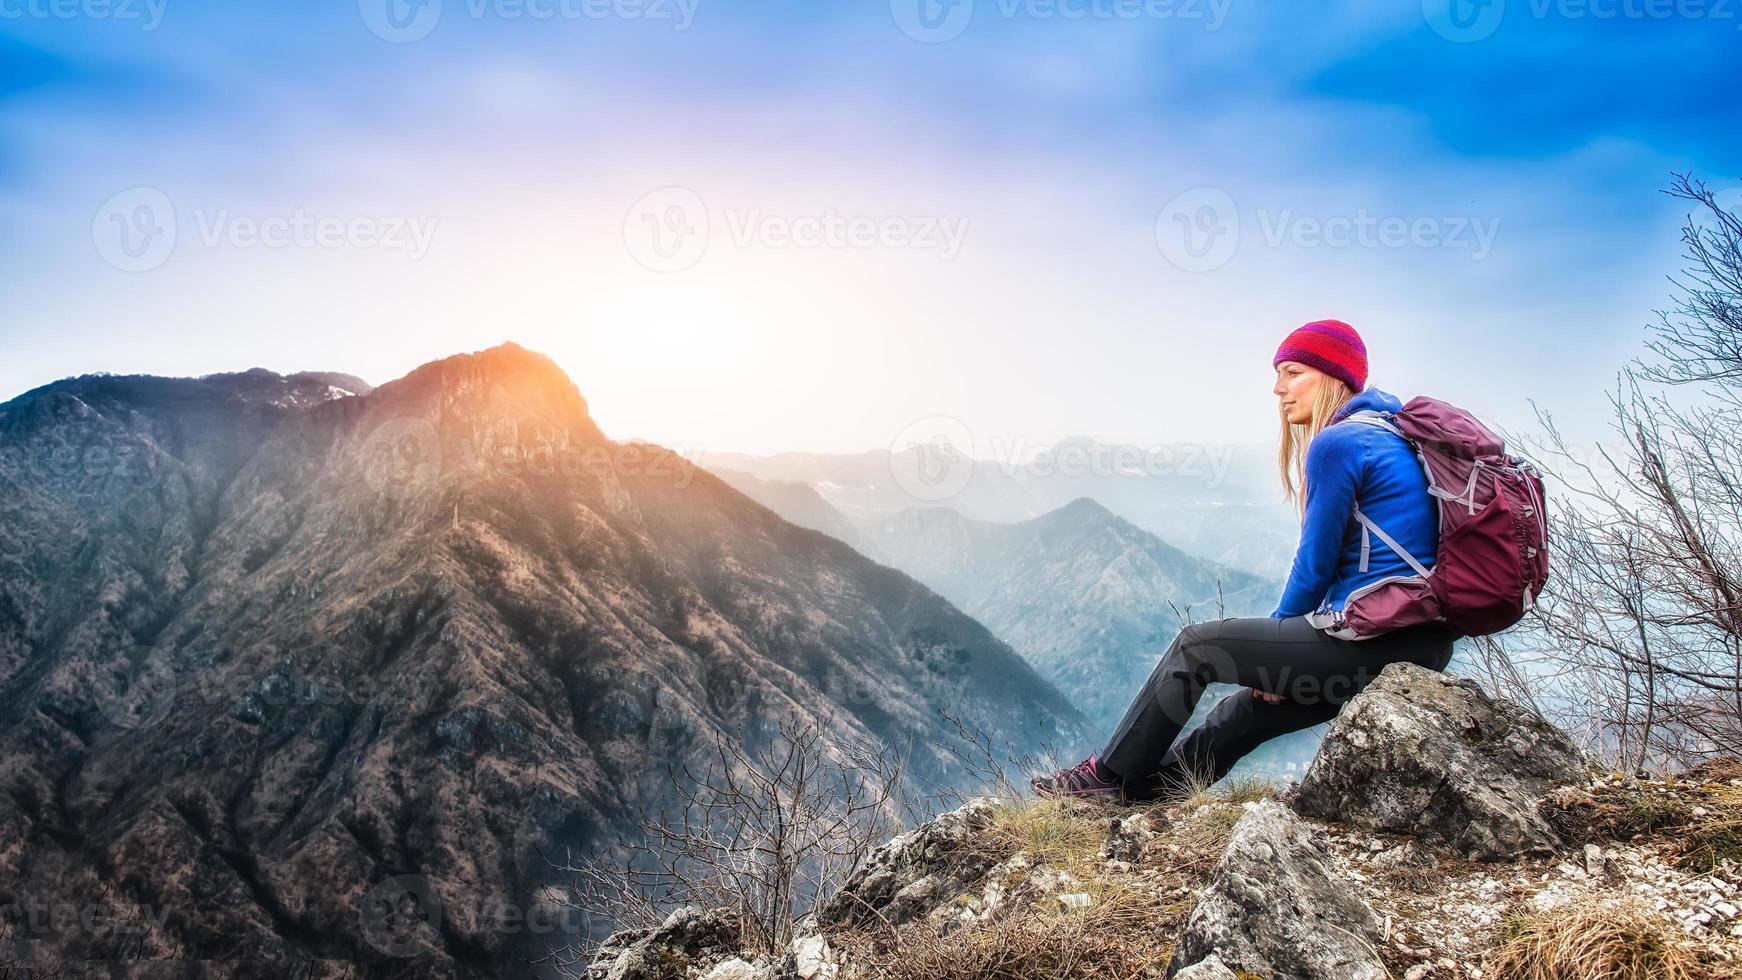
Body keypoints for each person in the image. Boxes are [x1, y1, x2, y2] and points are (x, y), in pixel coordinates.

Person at [1031, 319, 1459, 802]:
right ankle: (1138, 798)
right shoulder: (1391, 435)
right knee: (1244, 713)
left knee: (1197, 648)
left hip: (1380, 642)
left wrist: (1274, 651)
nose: (1279, 389)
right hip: (1422, 647)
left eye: (1293, 372)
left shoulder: (1338, 444)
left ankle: (1106, 776)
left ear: (1332, 376)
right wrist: (1276, 669)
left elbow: (1314, 565)